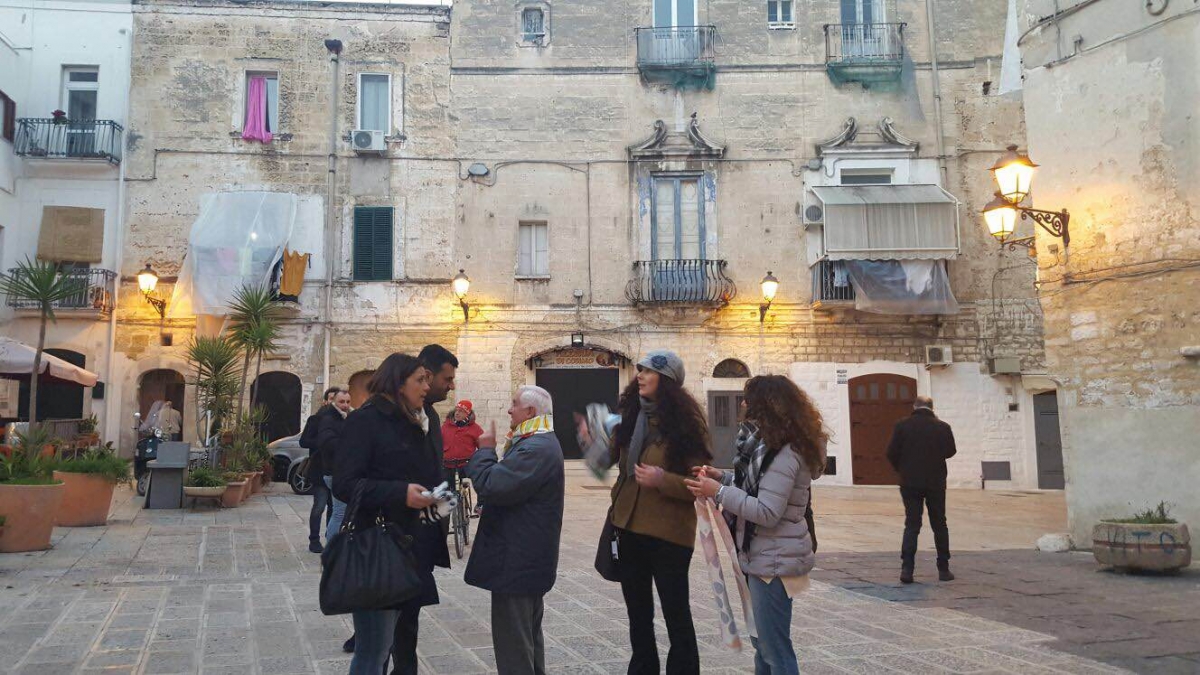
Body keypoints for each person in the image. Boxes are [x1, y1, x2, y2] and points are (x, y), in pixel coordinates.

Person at [686, 375, 826, 675]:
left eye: (748, 400)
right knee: (763, 647)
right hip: (761, 555)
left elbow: (767, 511)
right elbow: (756, 486)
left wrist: (718, 492)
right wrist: (722, 477)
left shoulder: (785, 452)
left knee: (775, 651)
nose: (743, 405)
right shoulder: (766, 446)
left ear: (766, 405)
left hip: (773, 562)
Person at [333, 354, 444, 675]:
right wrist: (400, 493)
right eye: (420, 380)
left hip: (411, 549)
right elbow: (344, 484)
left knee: (400, 637)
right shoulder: (364, 421)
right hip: (377, 549)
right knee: (374, 651)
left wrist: (436, 505)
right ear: (398, 383)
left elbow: (424, 475)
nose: (427, 387)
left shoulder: (415, 420)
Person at [608, 350, 711, 675]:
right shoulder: (631, 417)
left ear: (666, 380)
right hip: (629, 529)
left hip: (669, 536)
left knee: (676, 614)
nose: (640, 375)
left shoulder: (688, 425)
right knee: (638, 616)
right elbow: (613, 463)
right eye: (639, 369)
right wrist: (593, 440)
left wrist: (662, 479)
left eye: (649, 371)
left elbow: (700, 484)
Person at [464, 386, 564, 675]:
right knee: (526, 636)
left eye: (514, 404)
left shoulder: (536, 448)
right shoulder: (536, 441)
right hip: (526, 558)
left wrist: (485, 451)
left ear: (530, 411)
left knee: (514, 644)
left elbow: (491, 485)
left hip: (517, 560)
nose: (509, 410)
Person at [886, 395, 958, 584]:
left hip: (909, 482)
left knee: (912, 524)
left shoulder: (902, 426)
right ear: (932, 408)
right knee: (939, 524)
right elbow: (951, 451)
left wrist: (902, 469)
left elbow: (891, 452)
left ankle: (907, 569)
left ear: (914, 406)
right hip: (935, 481)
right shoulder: (943, 427)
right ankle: (943, 569)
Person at [301, 387, 340, 554]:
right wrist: (324, 441)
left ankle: (330, 539)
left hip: (336, 471)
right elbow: (304, 441)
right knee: (320, 506)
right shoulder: (315, 420)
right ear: (325, 401)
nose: (333, 403)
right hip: (319, 470)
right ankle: (314, 540)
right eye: (331, 399)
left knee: (334, 508)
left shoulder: (343, 420)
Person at [318, 389, 352, 539]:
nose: (345, 405)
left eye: (348, 402)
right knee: (339, 513)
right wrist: (350, 444)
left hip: (342, 472)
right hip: (335, 472)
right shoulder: (329, 419)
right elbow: (327, 443)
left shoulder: (346, 417)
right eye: (341, 402)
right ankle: (331, 546)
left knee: (341, 512)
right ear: (334, 402)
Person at [442, 400, 483, 487]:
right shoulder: (446, 426)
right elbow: (438, 444)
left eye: (461, 411)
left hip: (466, 467)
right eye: (456, 410)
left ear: (467, 414)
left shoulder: (475, 429)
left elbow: (483, 448)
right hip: (447, 466)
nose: (457, 413)